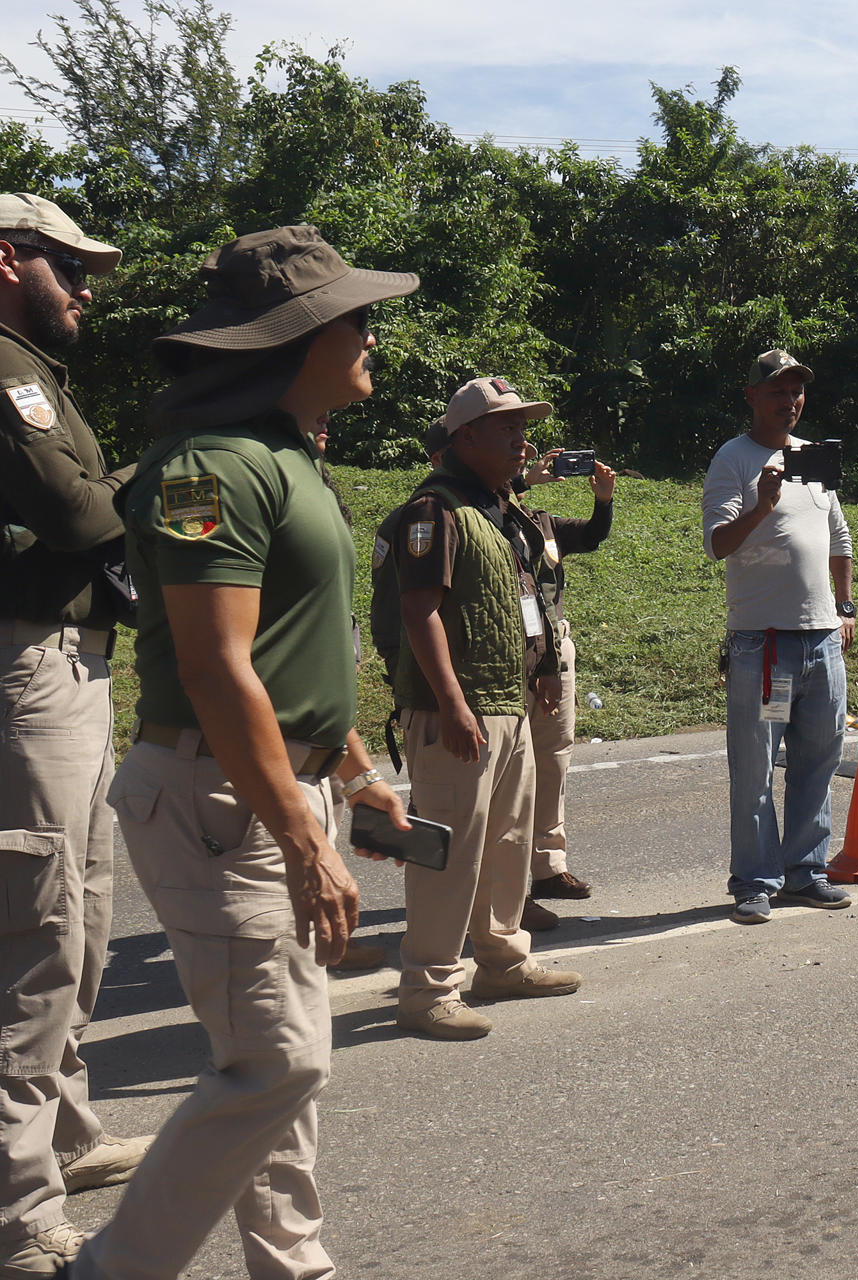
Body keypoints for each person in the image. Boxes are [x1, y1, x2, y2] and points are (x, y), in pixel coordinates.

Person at [78, 225, 416, 1279]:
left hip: (274, 782)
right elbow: (219, 667)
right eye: (356, 316)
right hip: (221, 795)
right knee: (277, 1058)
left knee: (276, 1054)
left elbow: (289, 652)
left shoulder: (286, 455)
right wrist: (300, 838)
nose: (372, 334)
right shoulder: (207, 466)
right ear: (298, 332)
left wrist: (353, 773)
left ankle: (293, 1258)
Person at [0, 194, 153, 1276]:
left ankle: (66, 1132)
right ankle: (18, 1210)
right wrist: (148, 472)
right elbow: (83, 515)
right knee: (38, 930)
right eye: (68, 267)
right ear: (7, 259)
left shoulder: (35, 371)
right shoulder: (6, 370)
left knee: (84, 911)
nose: (86, 287)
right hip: (30, 658)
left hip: (70, 656)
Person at [383, 378, 584, 1039]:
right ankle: (428, 990)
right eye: (506, 427)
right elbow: (420, 610)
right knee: (446, 854)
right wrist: (450, 701)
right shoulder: (432, 509)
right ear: (464, 436)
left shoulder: (501, 512)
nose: (521, 439)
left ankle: (500, 960)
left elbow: (526, 597)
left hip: (510, 703)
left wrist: (546, 666)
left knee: (506, 844)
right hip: (459, 713)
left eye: (522, 426)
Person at [702, 349, 856, 925]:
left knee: (819, 761)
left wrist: (844, 608)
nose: (788, 402)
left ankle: (807, 872)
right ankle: (754, 882)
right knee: (757, 766)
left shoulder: (814, 458)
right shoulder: (734, 460)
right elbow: (719, 544)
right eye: (776, 392)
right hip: (765, 646)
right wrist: (762, 506)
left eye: (796, 392)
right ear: (752, 397)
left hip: (822, 639)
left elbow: (839, 538)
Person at [514, 445, 617, 931]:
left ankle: (548, 868)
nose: (524, 463)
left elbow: (594, 535)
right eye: (517, 459)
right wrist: (524, 483)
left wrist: (603, 499)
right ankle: (500, 879)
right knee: (509, 769)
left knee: (552, 759)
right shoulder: (481, 512)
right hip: (509, 659)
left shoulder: (543, 523)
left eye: (529, 459)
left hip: (554, 650)